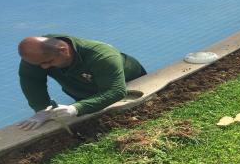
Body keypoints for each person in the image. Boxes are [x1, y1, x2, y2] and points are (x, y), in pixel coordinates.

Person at [17, 34, 146, 130]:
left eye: (48, 62)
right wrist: (42, 109)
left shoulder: (102, 56)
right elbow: (31, 79)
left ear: (63, 50)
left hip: (127, 82)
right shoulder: (37, 55)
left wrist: (76, 108)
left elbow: (115, 91)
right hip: (83, 88)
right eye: (39, 64)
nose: (44, 67)